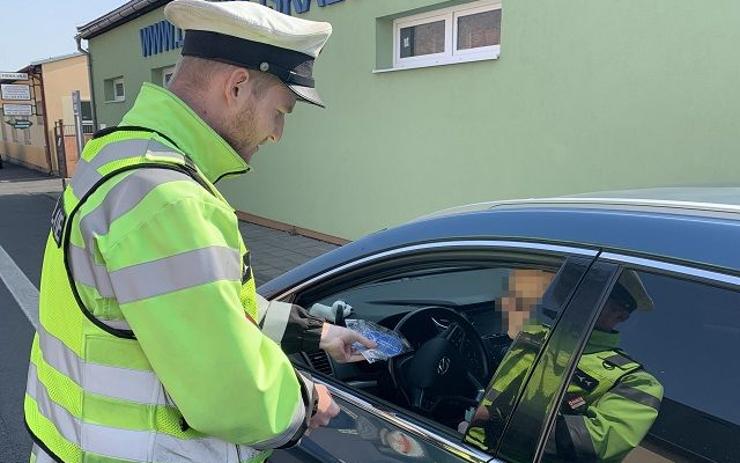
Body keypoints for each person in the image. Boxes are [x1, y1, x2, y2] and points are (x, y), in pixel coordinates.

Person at [24, 2, 374, 462]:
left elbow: (188, 303)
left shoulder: (120, 154)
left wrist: (313, 333)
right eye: (281, 111)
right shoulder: (169, 197)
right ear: (237, 87)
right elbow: (228, 391)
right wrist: (306, 400)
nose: (277, 133)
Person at [465, 269, 663, 462]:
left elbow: (590, 445)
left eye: (588, 294)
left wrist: (496, 418)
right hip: (461, 442)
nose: (570, 296)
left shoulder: (637, 382)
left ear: (620, 314)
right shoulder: (534, 333)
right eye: (570, 288)